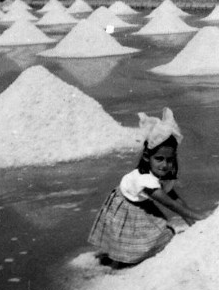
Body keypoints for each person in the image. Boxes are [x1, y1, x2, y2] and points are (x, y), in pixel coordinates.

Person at [88, 108, 209, 268]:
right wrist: (199, 216)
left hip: (140, 202)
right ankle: (118, 265)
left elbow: (174, 198)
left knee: (147, 234)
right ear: (147, 157)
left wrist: (193, 223)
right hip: (127, 205)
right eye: (159, 159)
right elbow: (171, 204)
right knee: (147, 236)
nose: (165, 165)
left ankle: (120, 260)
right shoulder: (145, 180)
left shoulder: (160, 174)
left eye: (169, 160)